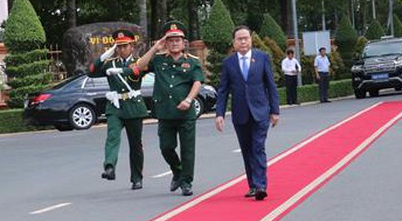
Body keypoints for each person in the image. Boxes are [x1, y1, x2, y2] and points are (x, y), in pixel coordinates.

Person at [136, 20, 203, 196]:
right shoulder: (158, 60)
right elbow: (139, 67)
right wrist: (154, 48)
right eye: (170, 40)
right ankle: (177, 170)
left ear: (183, 42)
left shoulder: (193, 62)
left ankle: (186, 182)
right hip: (165, 112)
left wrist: (189, 99)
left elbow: (197, 82)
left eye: (178, 39)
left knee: (188, 150)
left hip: (185, 112)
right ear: (165, 42)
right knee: (166, 147)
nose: (174, 43)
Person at [215, 25, 280, 201]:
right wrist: (219, 114)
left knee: (258, 146)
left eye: (246, 38)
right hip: (240, 113)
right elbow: (223, 90)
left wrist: (275, 111)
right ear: (234, 42)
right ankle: (253, 185)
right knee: (247, 150)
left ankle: (261, 186)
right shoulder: (228, 63)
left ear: (250, 40)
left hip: (260, 111)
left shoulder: (262, 58)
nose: (243, 41)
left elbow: (270, 85)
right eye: (239, 39)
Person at [88, 30, 147, 190]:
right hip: (115, 107)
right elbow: (91, 71)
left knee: (135, 145)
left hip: (134, 106)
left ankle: (136, 178)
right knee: (112, 136)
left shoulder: (138, 61)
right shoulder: (110, 62)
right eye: (118, 46)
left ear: (131, 46)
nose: (121, 49)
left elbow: (138, 71)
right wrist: (104, 55)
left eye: (125, 46)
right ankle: (109, 167)